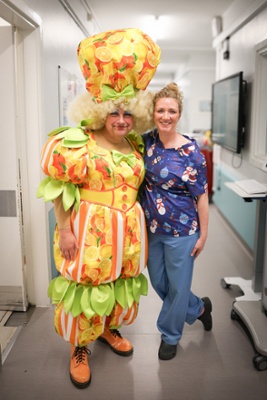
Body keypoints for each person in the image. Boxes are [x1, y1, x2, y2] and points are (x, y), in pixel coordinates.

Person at [37, 28, 160, 388]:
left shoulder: (135, 145)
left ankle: (109, 329)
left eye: (127, 113)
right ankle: (79, 347)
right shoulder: (78, 143)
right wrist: (64, 229)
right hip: (90, 229)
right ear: (99, 112)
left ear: (136, 116)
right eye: (114, 113)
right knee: (86, 286)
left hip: (129, 230)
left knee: (120, 282)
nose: (121, 120)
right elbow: (61, 190)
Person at [139, 82, 212, 361]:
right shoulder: (147, 142)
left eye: (171, 111)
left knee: (179, 286)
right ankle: (200, 309)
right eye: (160, 110)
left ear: (179, 114)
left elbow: (201, 197)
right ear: (154, 113)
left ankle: (170, 335)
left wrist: (203, 235)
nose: (165, 116)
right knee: (160, 282)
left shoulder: (191, 152)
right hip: (153, 230)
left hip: (183, 231)